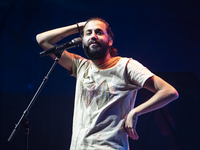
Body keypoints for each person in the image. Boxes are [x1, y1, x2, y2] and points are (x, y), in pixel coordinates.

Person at [36, 17, 179, 150]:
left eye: (99, 32)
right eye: (88, 33)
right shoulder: (80, 66)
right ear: (82, 40)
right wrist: (80, 26)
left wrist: (135, 112)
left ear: (110, 40)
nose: (93, 36)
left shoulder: (126, 66)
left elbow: (169, 91)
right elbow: (42, 40)